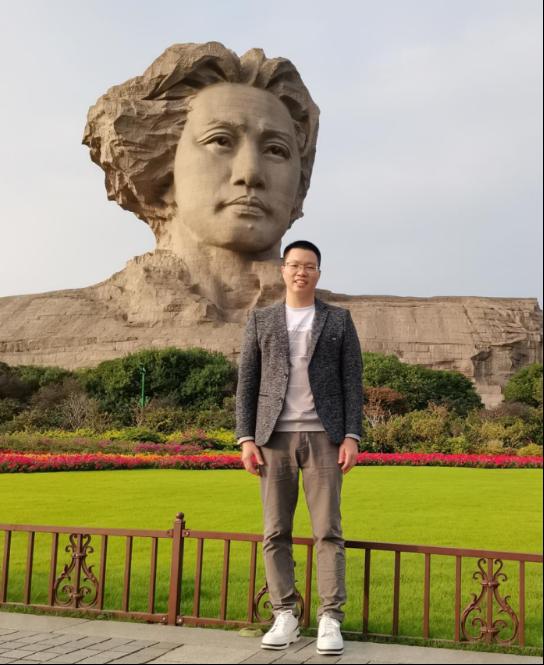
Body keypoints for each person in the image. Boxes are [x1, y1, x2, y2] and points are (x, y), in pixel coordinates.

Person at [236, 239, 363, 655]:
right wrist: (246, 438)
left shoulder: (338, 319)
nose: (301, 272)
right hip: (273, 439)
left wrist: (352, 435)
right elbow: (248, 383)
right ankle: (285, 614)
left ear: (318, 273)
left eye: (309, 266)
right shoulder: (261, 320)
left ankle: (330, 618)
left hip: (325, 437)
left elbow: (352, 381)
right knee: (276, 531)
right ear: (283, 270)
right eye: (294, 265)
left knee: (328, 530)